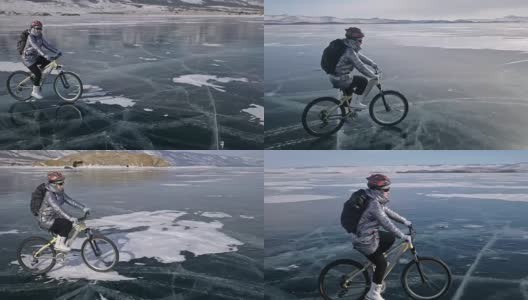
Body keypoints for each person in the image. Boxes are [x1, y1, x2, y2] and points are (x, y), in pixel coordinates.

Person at [350, 174, 412, 300]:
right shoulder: (373, 204)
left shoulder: (372, 198)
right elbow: (386, 223)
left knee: (389, 238)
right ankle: (372, 294)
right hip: (365, 240)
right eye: (386, 189)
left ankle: (375, 263)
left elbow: (388, 212)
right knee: (382, 264)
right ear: (379, 190)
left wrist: (405, 221)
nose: (388, 192)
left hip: (367, 235)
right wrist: (403, 235)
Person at [37, 171, 90, 252]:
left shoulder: (59, 192)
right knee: (67, 224)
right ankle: (59, 245)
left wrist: (83, 208)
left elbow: (70, 201)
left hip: (54, 218)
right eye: (60, 184)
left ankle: (60, 251)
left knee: (67, 226)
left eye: (63, 183)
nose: (62, 185)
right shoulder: (49, 195)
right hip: (46, 220)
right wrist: (70, 217)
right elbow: (57, 208)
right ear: (54, 184)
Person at [329, 27, 379, 109]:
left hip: (334, 76)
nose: (361, 43)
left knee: (349, 94)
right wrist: (373, 75)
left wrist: (371, 63)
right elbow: (360, 67)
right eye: (360, 40)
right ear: (353, 40)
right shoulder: (349, 51)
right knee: (363, 81)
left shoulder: (345, 45)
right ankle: (356, 103)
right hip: (341, 79)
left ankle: (346, 112)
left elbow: (359, 56)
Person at [21, 20, 62, 100]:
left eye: (40, 28)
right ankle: (35, 92)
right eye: (37, 28)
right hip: (27, 59)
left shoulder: (40, 36)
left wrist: (57, 51)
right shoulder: (30, 37)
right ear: (32, 28)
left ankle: (37, 77)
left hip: (35, 57)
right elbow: (36, 47)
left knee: (48, 62)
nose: (39, 30)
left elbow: (47, 45)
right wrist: (44, 55)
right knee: (38, 74)